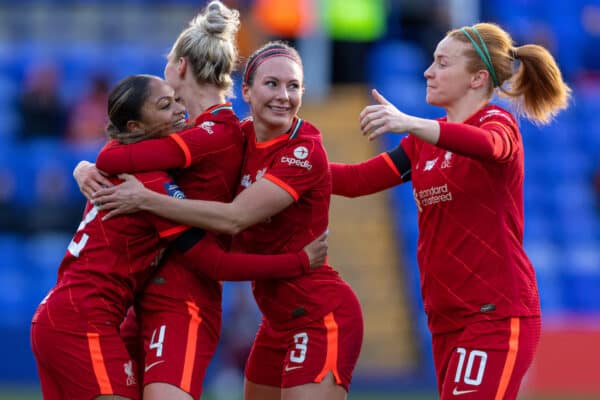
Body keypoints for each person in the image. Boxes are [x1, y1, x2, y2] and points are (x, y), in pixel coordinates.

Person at [91, 41, 364, 400]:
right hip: (275, 320)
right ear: (246, 92)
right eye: (272, 84)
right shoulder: (237, 138)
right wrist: (86, 169)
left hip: (319, 313)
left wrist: (146, 200)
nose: (284, 95)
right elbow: (131, 148)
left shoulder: (303, 149)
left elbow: (234, 219)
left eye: (294, 86)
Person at [32, 73, 326, 400]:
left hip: (62, 313)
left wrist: (82, 166)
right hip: (82, 321)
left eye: (175, 99)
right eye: (164, 106)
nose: (178, 109)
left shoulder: (120, 162)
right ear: (135, 128)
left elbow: (108, 157)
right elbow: (214, 262)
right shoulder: (150, 184)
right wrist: (297, 261)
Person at [329, 22, 571, 399]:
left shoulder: (497, 122)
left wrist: (410, 123)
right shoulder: (421, 143)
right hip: (445, 320)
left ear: (476, 79)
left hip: (495, 315)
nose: (428, 71)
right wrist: (287, 168)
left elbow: (491, 146)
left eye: (442, 63)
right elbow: (357, 181)